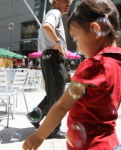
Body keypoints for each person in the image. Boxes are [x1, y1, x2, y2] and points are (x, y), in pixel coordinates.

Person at [22, 0, 121, 150]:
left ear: (95, 30)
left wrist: (39, 135)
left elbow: (62, 105)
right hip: (111, 143)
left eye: (76, 39)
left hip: (89, 145)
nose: (77, 47)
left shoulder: (93, 65)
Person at [26, 0, 70, 139]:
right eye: (65, 1)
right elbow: (46, 26)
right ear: (55, 1)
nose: (68, 3)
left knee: (53, 95)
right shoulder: (55, 12)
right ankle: (53, 129)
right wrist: (58, 44)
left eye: (70, 1)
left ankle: (36, 117)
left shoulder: (53, 13)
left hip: (51, 57)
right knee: (56, 97)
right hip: (53, 57)